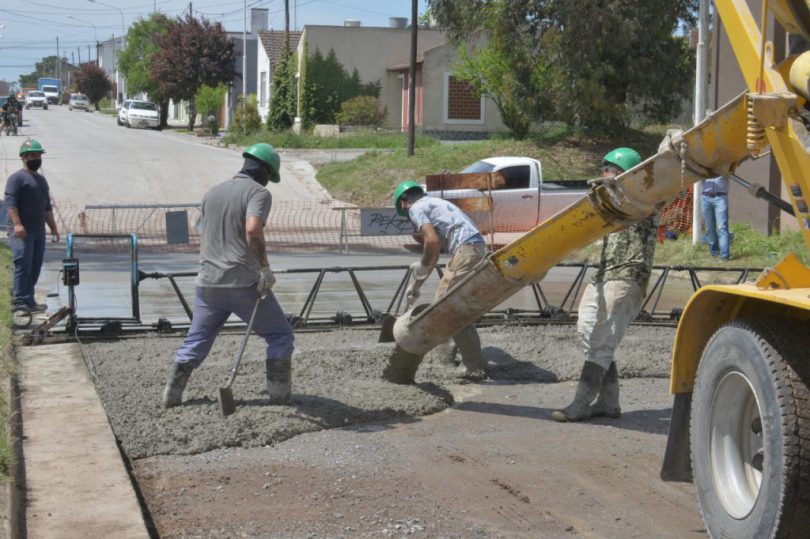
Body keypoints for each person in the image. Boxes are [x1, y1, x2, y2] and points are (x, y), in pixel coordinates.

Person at [162, 143, 295, 408]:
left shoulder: (212, 193)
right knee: (281, 335)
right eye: (270, 176)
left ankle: (172, 395)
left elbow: (202, 229)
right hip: (242, 282)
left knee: (197, 339)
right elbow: (253, 229)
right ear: (265, 170)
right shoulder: (258, 193)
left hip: (208, 283)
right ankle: (280, 397)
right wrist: (264, 269)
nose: (268, 182)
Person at [551, 148, 658, 422]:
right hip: (603, 275)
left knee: (602, 339)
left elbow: (655, 201)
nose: (603, 173)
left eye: (608, 168)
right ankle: (609, 402)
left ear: (622, 172)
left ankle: (580, 403)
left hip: (627, 275)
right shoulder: (608, 201)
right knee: (586, 332)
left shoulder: (645, 197)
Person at [383, 180, 489, 384]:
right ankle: (451, 355)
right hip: (471, 249)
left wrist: (422, 264)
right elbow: (432, 256)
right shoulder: (433, 202)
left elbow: (432, 241)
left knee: (446, 308)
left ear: (404, 202)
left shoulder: (416, 208)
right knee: (447, 304)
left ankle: (473, 364)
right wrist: (416, 285)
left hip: (467, 250)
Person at [5, 138, 59, 312]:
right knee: (23, 263)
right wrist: (17, 224)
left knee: (35, 265)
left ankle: (29, 301)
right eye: (33, 155)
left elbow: (47, 207)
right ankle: (20, 301)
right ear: (24, 157)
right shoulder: (17, 179)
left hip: (38, 231)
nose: (37, 158)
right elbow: (10, 204)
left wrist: (53, 228)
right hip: (21, 231)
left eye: (39, 155)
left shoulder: (41, 181)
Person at [701, 175, 730, 261]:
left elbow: (729, 172)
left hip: (720, 197)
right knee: (709, 228)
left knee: (722, 227)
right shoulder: (705, 164)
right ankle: (714, 252)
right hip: (705, 197)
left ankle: (724, 256)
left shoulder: (723, 164)